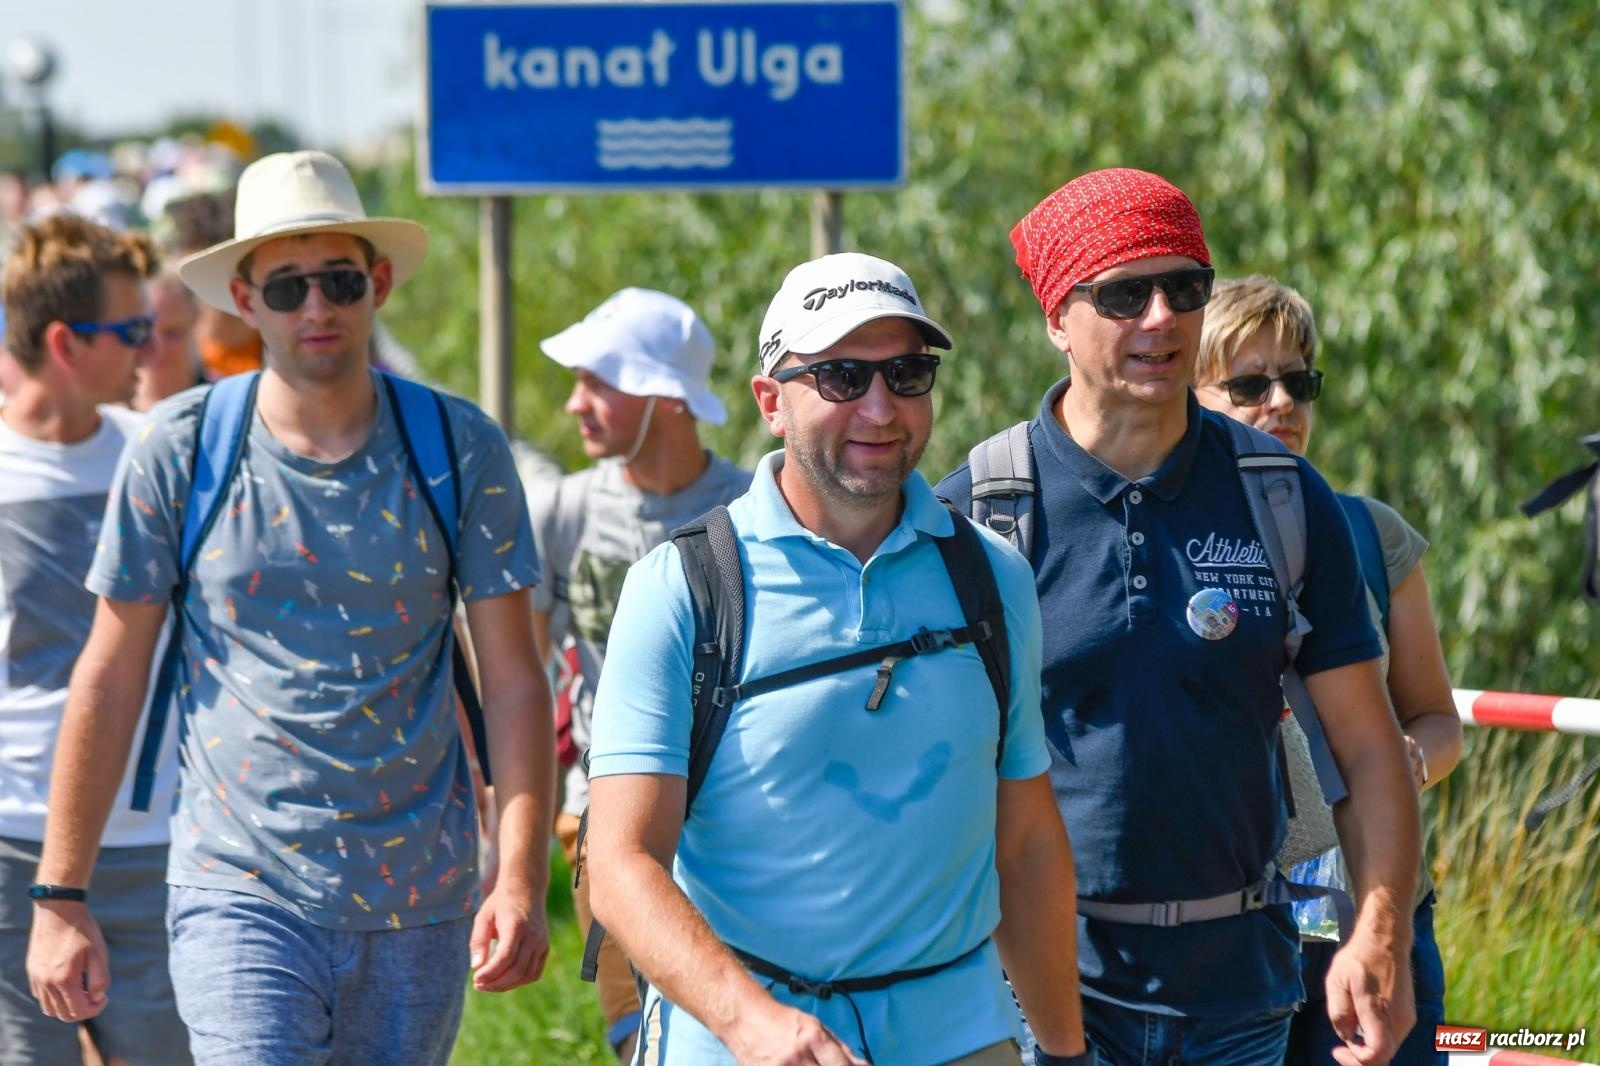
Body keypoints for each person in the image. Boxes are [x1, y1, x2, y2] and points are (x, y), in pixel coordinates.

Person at [25, 150, 554, 1065]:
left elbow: (511, 680)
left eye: (341, 281)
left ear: (378, 283)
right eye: (288, 287)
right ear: (243, 297)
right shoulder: (180, 450)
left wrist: (519, 876)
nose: (318, 308)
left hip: (418, 899)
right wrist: (59, 895)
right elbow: (108, 674)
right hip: (238, 886)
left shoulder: (459, 446)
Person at [937, 169, 1420, 1066]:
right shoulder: (982, 513)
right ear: (1056, 320)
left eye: (1185, 289)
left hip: (1240, 993)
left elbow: (1367, 746)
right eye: (1124, 294)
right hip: (1038, 991)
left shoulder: (1281, 497)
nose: (1161, 317)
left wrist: (1380, 932)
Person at [585, 252, 1092, 1066]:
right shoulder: (684, 587)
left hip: (957, 1034)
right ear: (769, 402)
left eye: (907, 372)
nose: (882, 408)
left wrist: (1066, 1053)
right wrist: (753, 1023)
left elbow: (1026, 842)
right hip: (739, 1038)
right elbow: (619, 863)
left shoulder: (994, 578)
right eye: (843, 377)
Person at [1191, 276, 1461, 1066]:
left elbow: (1437, 720)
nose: (1281, 401)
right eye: (1248, 384)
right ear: (1189, 392)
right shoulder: (1152, 544)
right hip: (1232, 934)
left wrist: (1411, 759)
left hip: (1378, 918)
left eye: (1298, 380)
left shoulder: (1371, 534)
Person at [528, 286, 752, 1060]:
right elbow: (523, 676)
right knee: (641, 1038)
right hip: (606, 821)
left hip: (737, 824)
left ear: (666, 397)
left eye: (599, 382)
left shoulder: (752, 508)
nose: (574, 403)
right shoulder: (563, 513)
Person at [0, 215, 187, 1066]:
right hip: (12, 844)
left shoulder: (153, 455)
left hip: (157, 840)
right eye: (133, 331)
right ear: (67, 343)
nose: (151, 350)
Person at [131, 266, 203, 411]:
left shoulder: (222, 406)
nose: (158, 347)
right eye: (145, 332)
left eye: (172, 333)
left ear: (195, 322)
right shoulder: (106, 415)